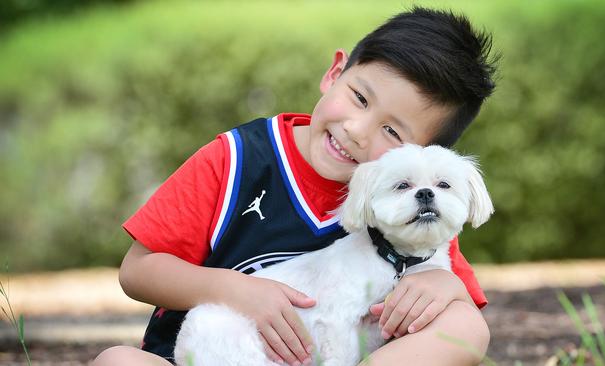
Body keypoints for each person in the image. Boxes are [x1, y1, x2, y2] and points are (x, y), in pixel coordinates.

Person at [93, 6, 497, 366]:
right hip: (198, 352)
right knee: (117, 361)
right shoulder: (235, 160)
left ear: (422, 154)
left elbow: (454, 297)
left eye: (391, 131)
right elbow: (138, 270)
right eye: (359, 98)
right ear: (335, 73)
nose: (357, 131)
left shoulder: (411, 203)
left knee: (467, 326)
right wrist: (237, 290)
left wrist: (445, 286)